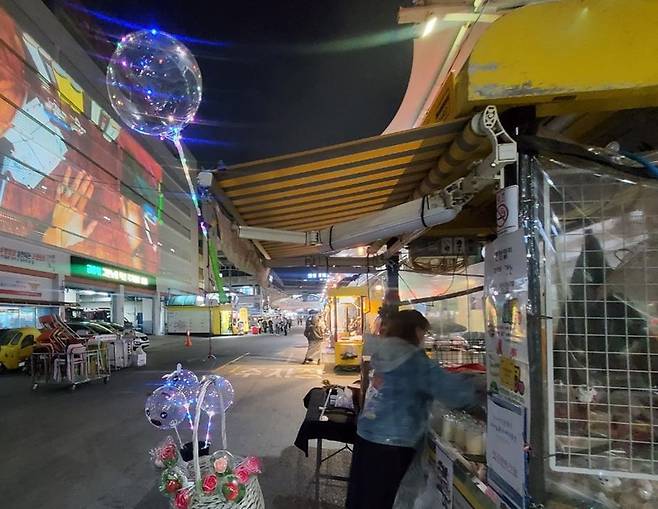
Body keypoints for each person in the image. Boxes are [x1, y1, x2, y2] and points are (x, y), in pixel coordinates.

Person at [345, 310, 479, 509]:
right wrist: (479, 388)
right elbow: (456, 394)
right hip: (394, 443)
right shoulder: (415, 361)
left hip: (367, 435)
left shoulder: (384, 352)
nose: (424, 338)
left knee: (363, 496)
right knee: (383, 499)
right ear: (416, 331)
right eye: (424, 333)